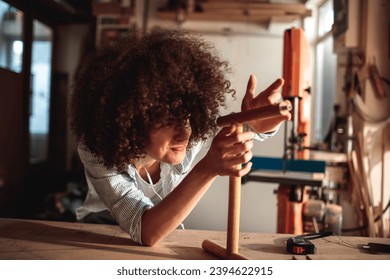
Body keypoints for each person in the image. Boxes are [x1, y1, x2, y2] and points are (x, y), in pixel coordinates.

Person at [70, 27, 290, 247]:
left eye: (187, 118)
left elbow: (231, 126)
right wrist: (207, 168)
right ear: (132, 118)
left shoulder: (192, 130)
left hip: (165, 233)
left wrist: (255, 123)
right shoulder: (96, 150)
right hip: (100, 233)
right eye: (169, 121)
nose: (185, 133)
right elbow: (145, 229)